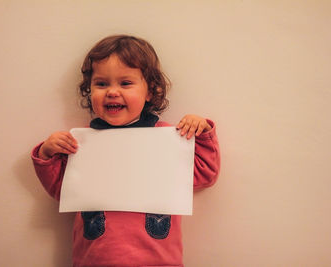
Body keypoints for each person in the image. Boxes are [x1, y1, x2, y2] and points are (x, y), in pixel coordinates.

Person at [31, 35, 220, 267]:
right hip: (93, 260)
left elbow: (205, 175)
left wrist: (200, 131)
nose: (112, 92)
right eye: (101, 84)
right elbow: (63, 192)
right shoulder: (80, 143)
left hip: (158, 261)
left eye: (125, 83)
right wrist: (47, 154)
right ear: (89, 91)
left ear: (150, 91)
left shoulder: (170, 137)